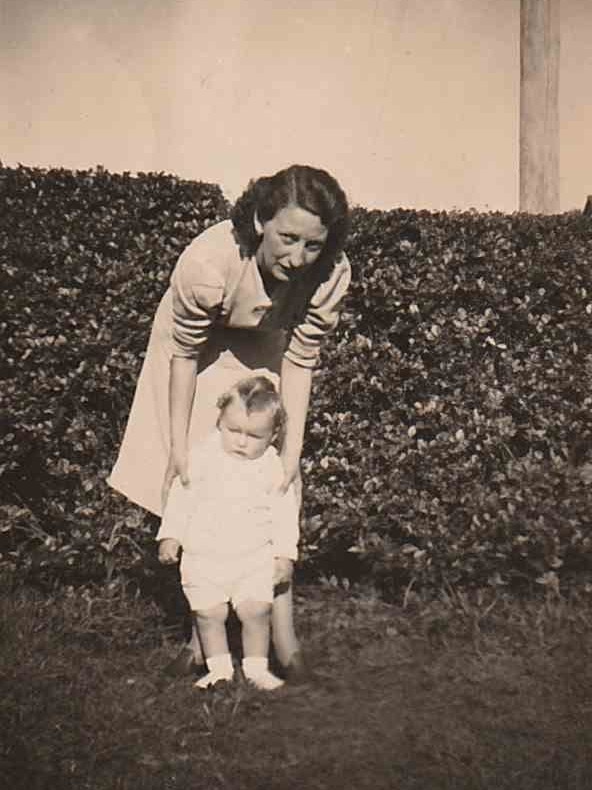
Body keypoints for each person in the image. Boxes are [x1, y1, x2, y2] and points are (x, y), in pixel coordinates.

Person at [108, 163, 351, 681]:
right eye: (287, 238)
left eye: (312, 245)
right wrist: (178, 447)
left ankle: (283, 640)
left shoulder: (330, 273)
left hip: (264, 339)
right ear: (263, 219)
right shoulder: (209, 262)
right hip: (196, 350)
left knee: (275, 472)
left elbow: (301, 361)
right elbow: (184, 355)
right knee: (203, 465)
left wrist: (292, 453)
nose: (297, 257)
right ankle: (201, 638)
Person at [157, 375, 299, 691]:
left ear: (273, 435)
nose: (241, 442)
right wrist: (171, 535)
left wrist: (285, 554)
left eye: (254, 435)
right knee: (209, 614)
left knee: (257, 611)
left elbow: (284, 514)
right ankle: (219, 669)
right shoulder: (203, 456)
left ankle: (256, 668)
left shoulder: (272, 466)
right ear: (220, 421)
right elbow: (183, 496)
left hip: (253, 557)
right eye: (233, 430)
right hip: (204, 556)